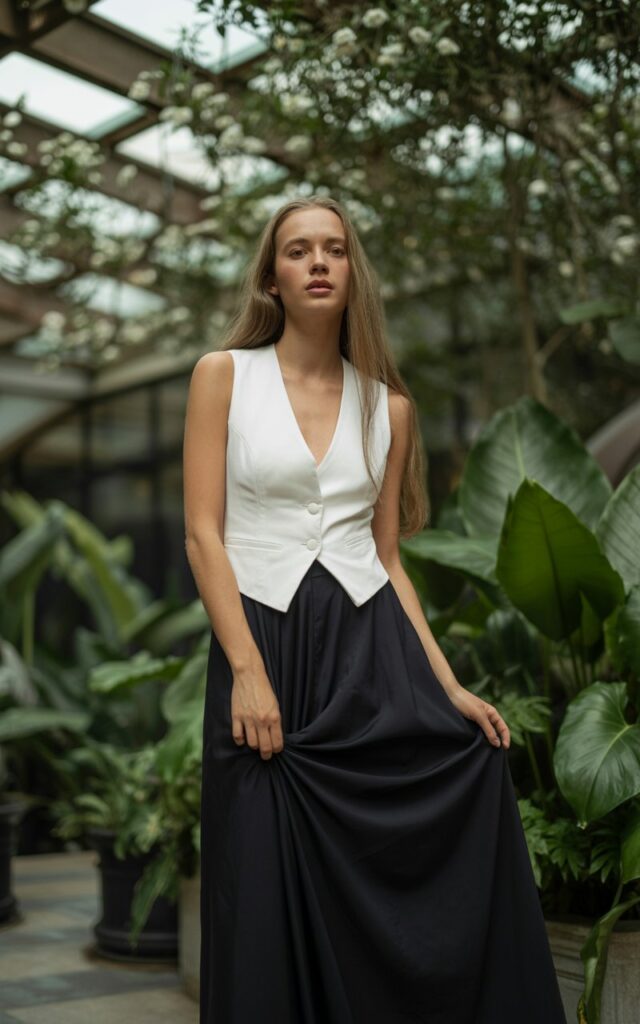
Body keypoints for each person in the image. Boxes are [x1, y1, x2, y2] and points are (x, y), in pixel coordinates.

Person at [183, 195, 567, 1024]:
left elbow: (387, 558)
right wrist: (247, 670)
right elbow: (203, 536)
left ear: (354, 273)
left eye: (334, 249)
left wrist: (452, 689)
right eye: (298, 250)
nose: (318, 261)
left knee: (460, 783)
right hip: (268, 651)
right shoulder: (224, 375)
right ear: (273, 278)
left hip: (370, 656)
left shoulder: (389, 406)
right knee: (257, 891)